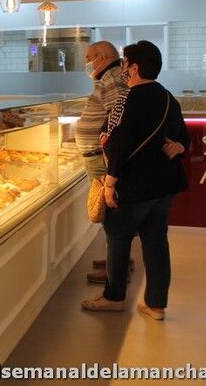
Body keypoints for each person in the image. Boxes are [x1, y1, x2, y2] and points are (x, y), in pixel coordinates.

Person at [82, 41, 190, 320]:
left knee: (118, 238)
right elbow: (183, 136)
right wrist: (179, 147)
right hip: (164, 184)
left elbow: (118, 143)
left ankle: (113, 297)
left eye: (125, 63)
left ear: (134, 67)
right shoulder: (168, 97)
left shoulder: (126, 99)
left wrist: (110, 183)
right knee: (156, 241)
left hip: (133, 184)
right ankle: (156, 305)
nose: (123, 68)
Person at [75, 41, 130, 284]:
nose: (87, 63)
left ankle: (116, 269)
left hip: (101, 157)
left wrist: (110, 155)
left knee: (110, 212)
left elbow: (117, 121)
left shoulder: (112, 78)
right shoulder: (109, 77)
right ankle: (115, 260)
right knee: (110, 212)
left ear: (103, 57)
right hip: (98, 155)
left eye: (89, 57)